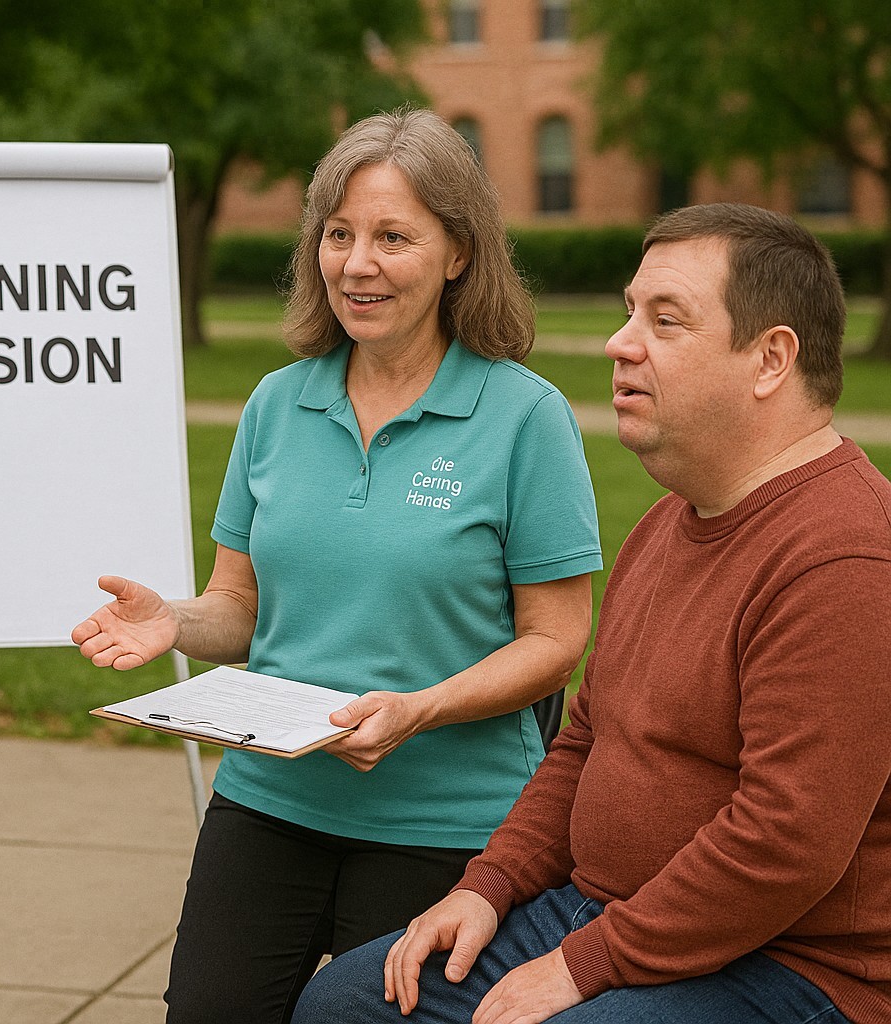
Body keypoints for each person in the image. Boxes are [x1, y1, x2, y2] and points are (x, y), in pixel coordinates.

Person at [293, 203, 891, 1024]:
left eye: (666, 320)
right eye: (629, 311)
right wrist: (489, 886)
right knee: (347, 1004)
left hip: (788, 964)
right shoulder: (670, 521)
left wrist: (585, 966)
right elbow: (585, 740)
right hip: (599, 911)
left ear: (770, 359)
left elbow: (786, 842)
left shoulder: (843, 559)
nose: (621, 342)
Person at [71, 108, 602, 1023]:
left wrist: (419, 710)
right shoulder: (279, 403)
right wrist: (173, 620)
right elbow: (238, 607)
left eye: (394, 237)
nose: (357, 263)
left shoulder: (524, 416)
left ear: (460, 253)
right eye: (339, 233)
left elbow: (557, 640)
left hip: (448, 823)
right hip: (269, 798)